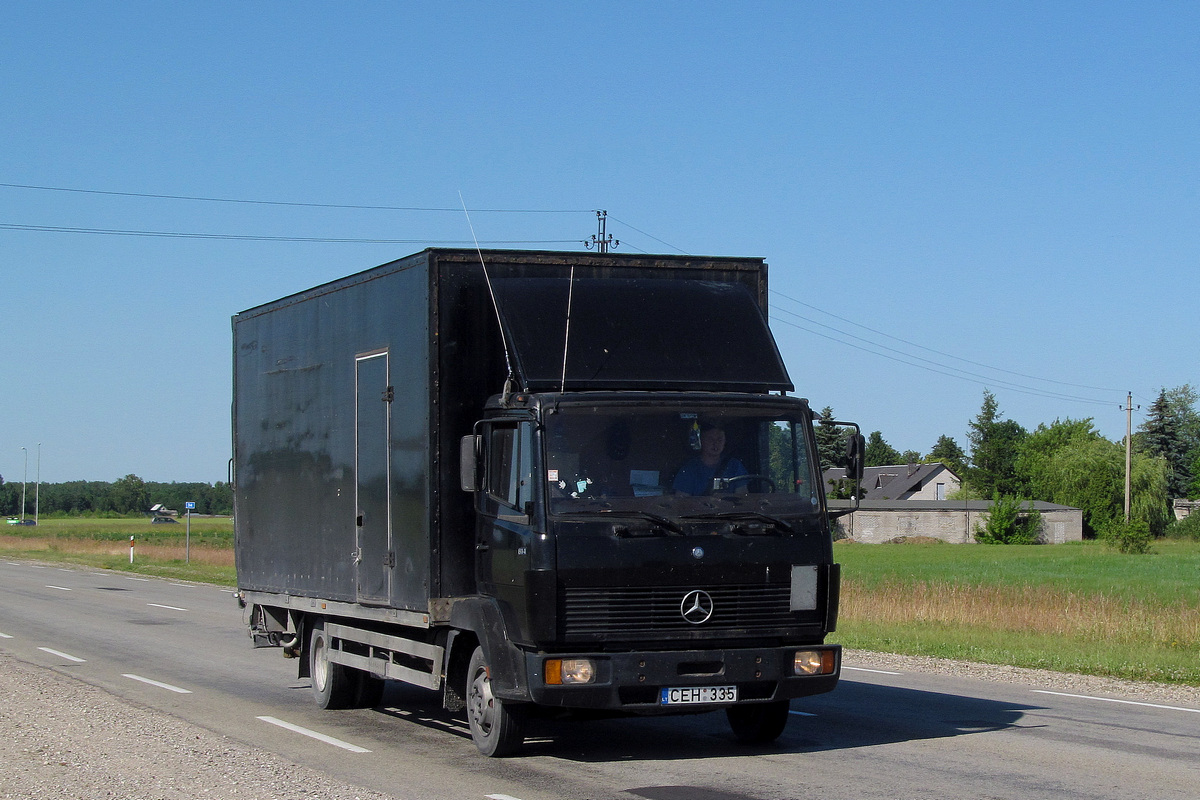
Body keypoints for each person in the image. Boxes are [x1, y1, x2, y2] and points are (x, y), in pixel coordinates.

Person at [672, 422, 748, 495]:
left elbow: (742, 497)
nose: (715, 443)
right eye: (710, 439)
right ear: (701, 441)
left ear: (725, 441)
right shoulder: (689, 469)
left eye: (719, 439)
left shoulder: (734, 466)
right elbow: (682, 502)